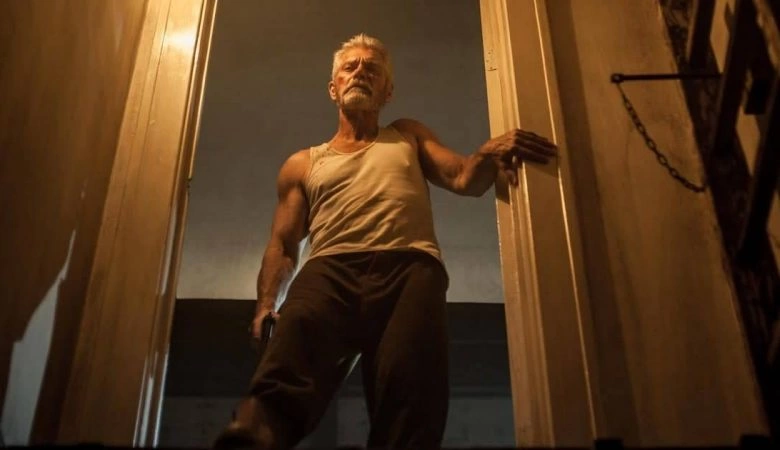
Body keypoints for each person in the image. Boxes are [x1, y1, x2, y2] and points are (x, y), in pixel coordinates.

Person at [213, 33, 556, 450]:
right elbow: (283, 245)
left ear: (387, 92)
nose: (360, 71)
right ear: (333, 88)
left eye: (372, 69)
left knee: (410, 394)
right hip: (329, 270)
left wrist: (488, 152)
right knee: (287, 362)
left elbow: (463, 177)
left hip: (409, 271)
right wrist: (266, 304)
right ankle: (253, 439)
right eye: (350, 66)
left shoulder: (407, 135)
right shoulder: (302, 164)